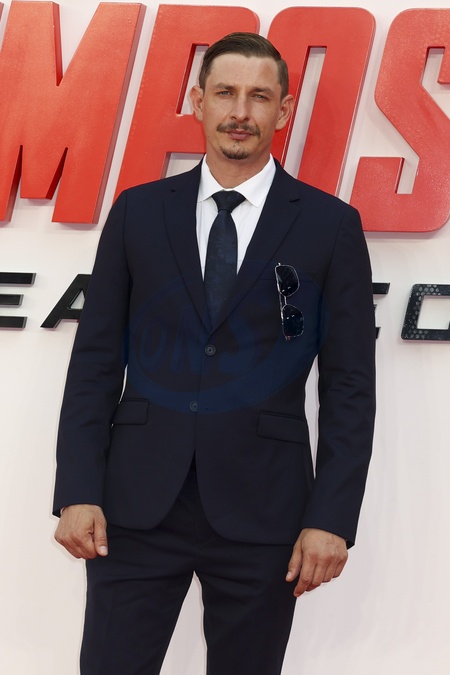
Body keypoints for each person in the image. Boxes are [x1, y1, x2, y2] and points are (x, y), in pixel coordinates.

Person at [53, 32, 376, 675]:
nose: (240, 112)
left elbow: (349, 385)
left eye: (260, 96)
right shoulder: (138, 212)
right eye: (225, 92)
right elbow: (94, 362)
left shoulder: (330, 225)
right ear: (199, 101)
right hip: (136, 506)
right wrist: (77, 489)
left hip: (266, 511)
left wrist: (333, 518)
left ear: (283, 111)